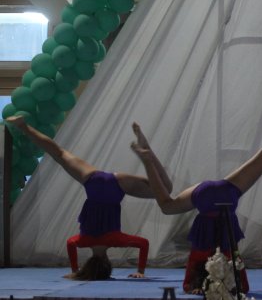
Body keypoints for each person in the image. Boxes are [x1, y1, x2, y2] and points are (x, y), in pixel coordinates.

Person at [130, 99, 262, 294]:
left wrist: (218, 286)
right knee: (167, 204)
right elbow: (189, 284)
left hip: (225, 195)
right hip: (205, 195)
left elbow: (243, 286)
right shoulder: (204, 257)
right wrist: (196, 287)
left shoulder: (226, 256)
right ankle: (148, 159)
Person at [5, 116, 172, 280]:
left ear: (107, 262)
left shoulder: (115, 240)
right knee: (59, 153)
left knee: (165, 190)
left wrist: (141, 271)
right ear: (88, 263)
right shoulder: (82, 241)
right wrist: (75, 270)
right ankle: (23, 126)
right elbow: (71, 243)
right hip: (93, 182)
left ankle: (147, 156)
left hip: (116, 186)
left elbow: (143, 243)